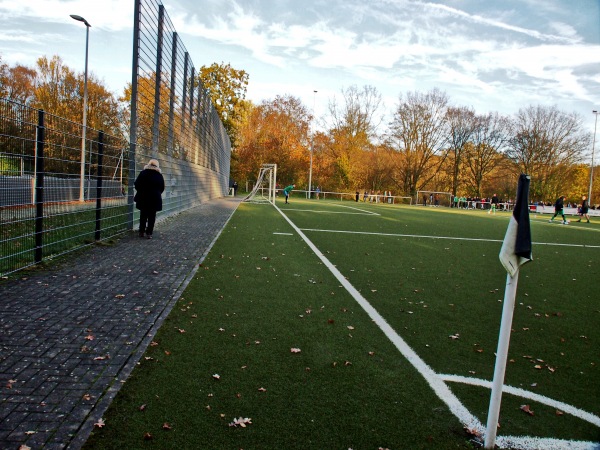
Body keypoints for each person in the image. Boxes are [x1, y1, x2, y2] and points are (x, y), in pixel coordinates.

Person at [134, 158, 165, 239]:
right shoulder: (159, 175)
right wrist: (157, 193)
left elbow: (136, 184)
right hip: (154, 198)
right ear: (157, 166)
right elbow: (162, 187)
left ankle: (141, 231)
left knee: (143, 215)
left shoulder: (143, 173)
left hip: (143, 197)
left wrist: (141, 191)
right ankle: (149, 233)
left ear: (149, 164)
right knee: (152, 216)